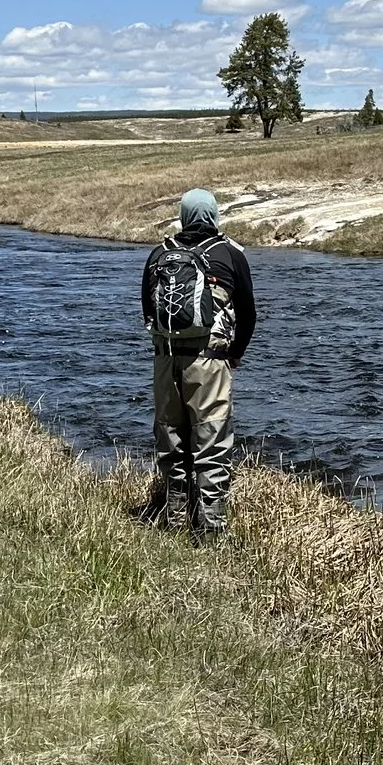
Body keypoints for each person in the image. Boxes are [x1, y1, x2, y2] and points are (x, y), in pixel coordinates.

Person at [137, 188, 257, 536]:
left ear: (183, 215)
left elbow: (147, 310)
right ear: (214, 215)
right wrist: (235, 354)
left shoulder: (160, 254)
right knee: (211, 444)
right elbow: (249, 315)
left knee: (171, 442)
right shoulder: (229, 255)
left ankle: (175, 523)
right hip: (210, 361)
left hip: (165, 362)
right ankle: (211, 533)